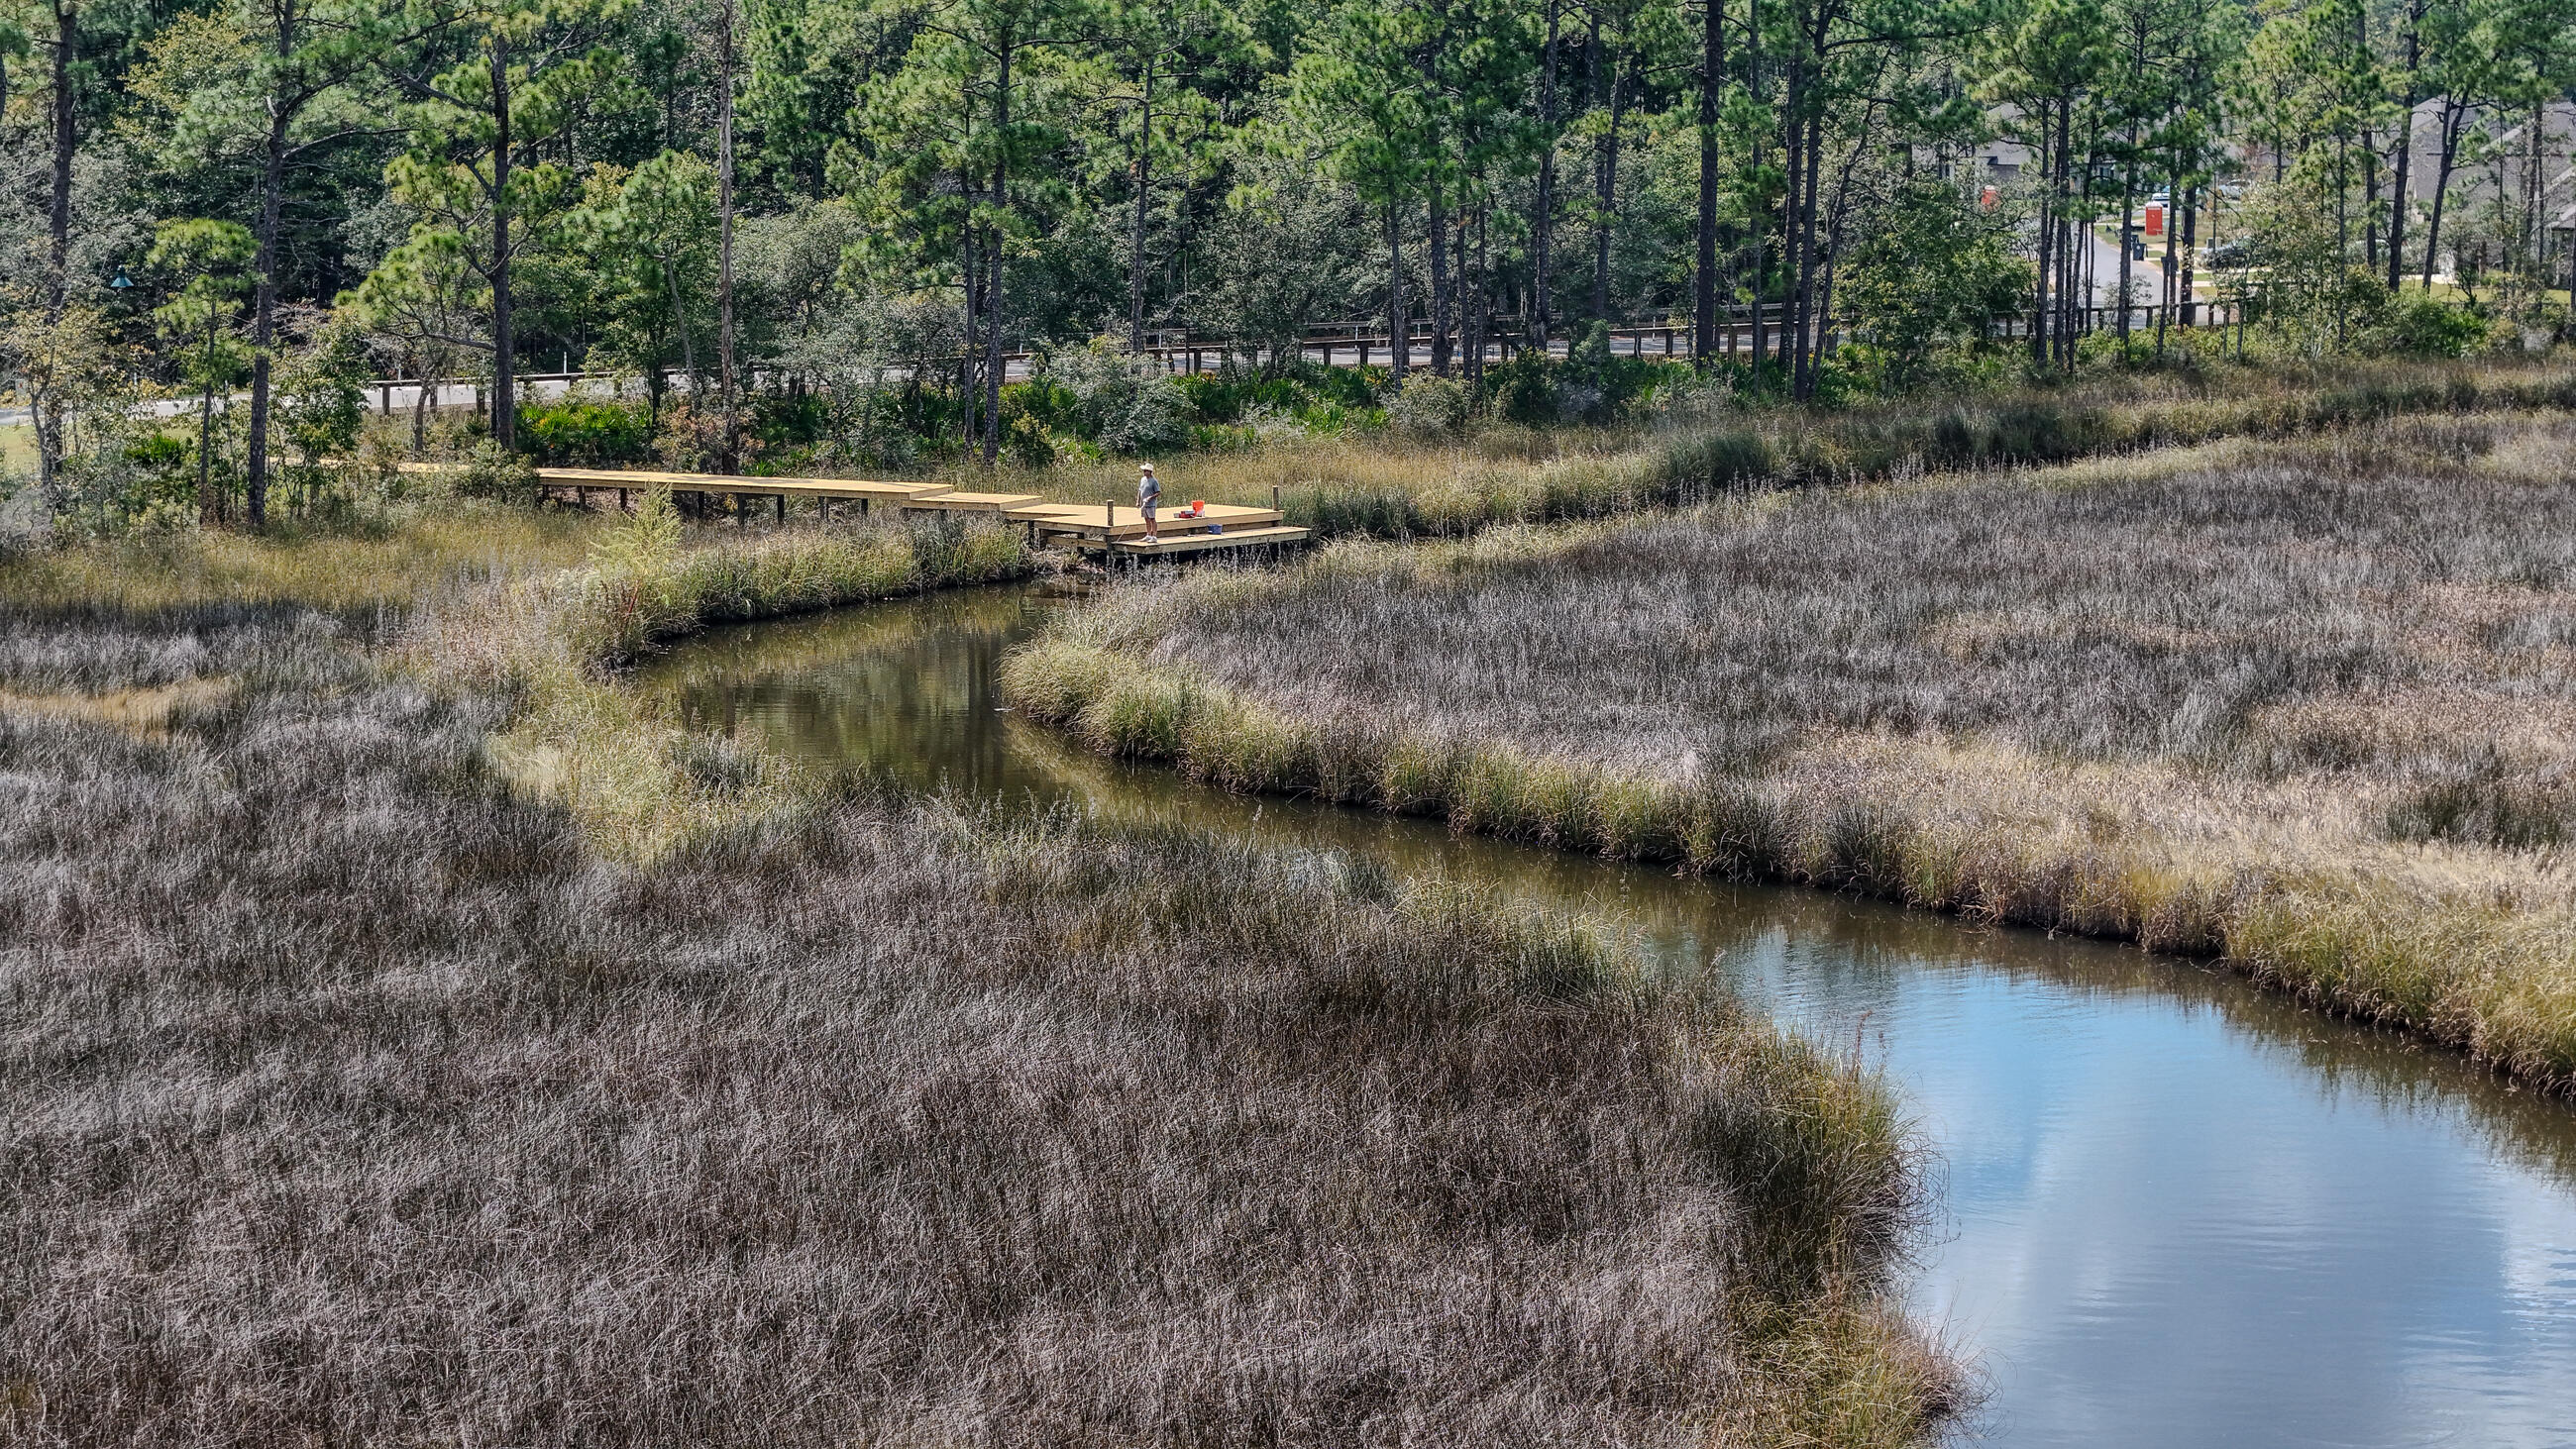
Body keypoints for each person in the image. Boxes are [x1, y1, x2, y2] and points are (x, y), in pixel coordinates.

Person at [1135, 461, 1160, 542]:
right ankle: (1148, 534)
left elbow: (1158, 492)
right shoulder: (1142, 479)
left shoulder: (1154, 481)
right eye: (1144, 471)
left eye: (1146, 471)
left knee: (1152, 519)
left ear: (1150, 472)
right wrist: (1138, 501)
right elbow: (1140, 490)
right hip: (1144, 503)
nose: (1144, 472)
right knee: (1146, 519)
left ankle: (1154, 536)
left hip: (1151, 504)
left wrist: (1150, 497)